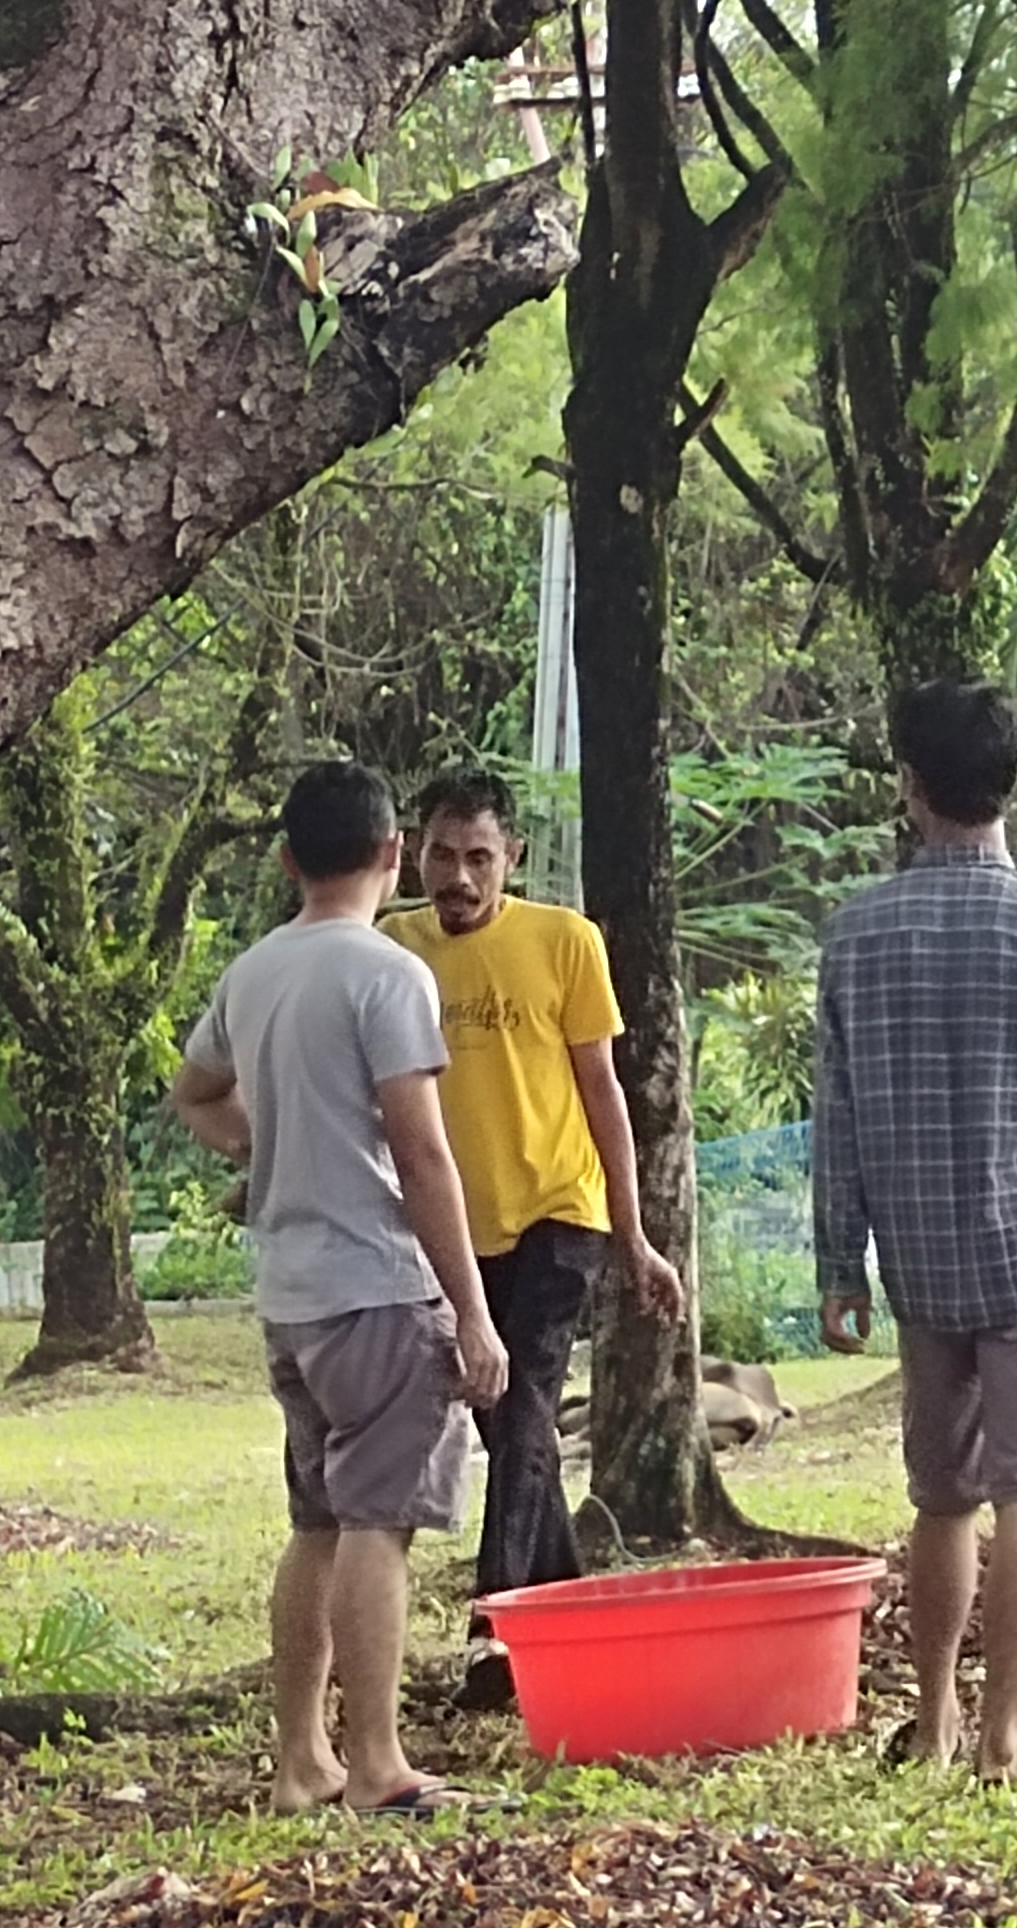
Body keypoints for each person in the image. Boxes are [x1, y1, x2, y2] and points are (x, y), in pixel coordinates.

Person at [810, 680, 1017, 1788]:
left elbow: (839, 1116)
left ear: (912, 787)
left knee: (938, 1497)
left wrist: (835, 1265)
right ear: (1009, 784)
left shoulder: (854, 935)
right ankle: (1005, 1743)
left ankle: (936, 1717)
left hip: (914, 1262)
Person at [164, 762, 506, 1816]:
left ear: (286, 860)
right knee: (378, 1524)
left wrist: (261, 1145)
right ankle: (375, 1763)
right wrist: (474, 1312)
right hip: (377, 1288)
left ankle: (300, 1759)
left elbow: (195, 1094)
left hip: (291, 1293)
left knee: (316, 1522)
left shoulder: (255, 972)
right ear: (396, 852)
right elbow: (424, 1153)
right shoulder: (386, 973)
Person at [379, 768, 679, 1712]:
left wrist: (635, 1236)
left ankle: (494, 1628)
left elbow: (604, 1095)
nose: (458, 878)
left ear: (514, 857)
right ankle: (569, 1616)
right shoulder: (391, 951)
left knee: (526, 1397)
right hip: (458, 1236)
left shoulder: (564, 942)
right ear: (413, 855)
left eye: (478, 857)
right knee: (512, 1423)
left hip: (562, 1212)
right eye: (440, 855)